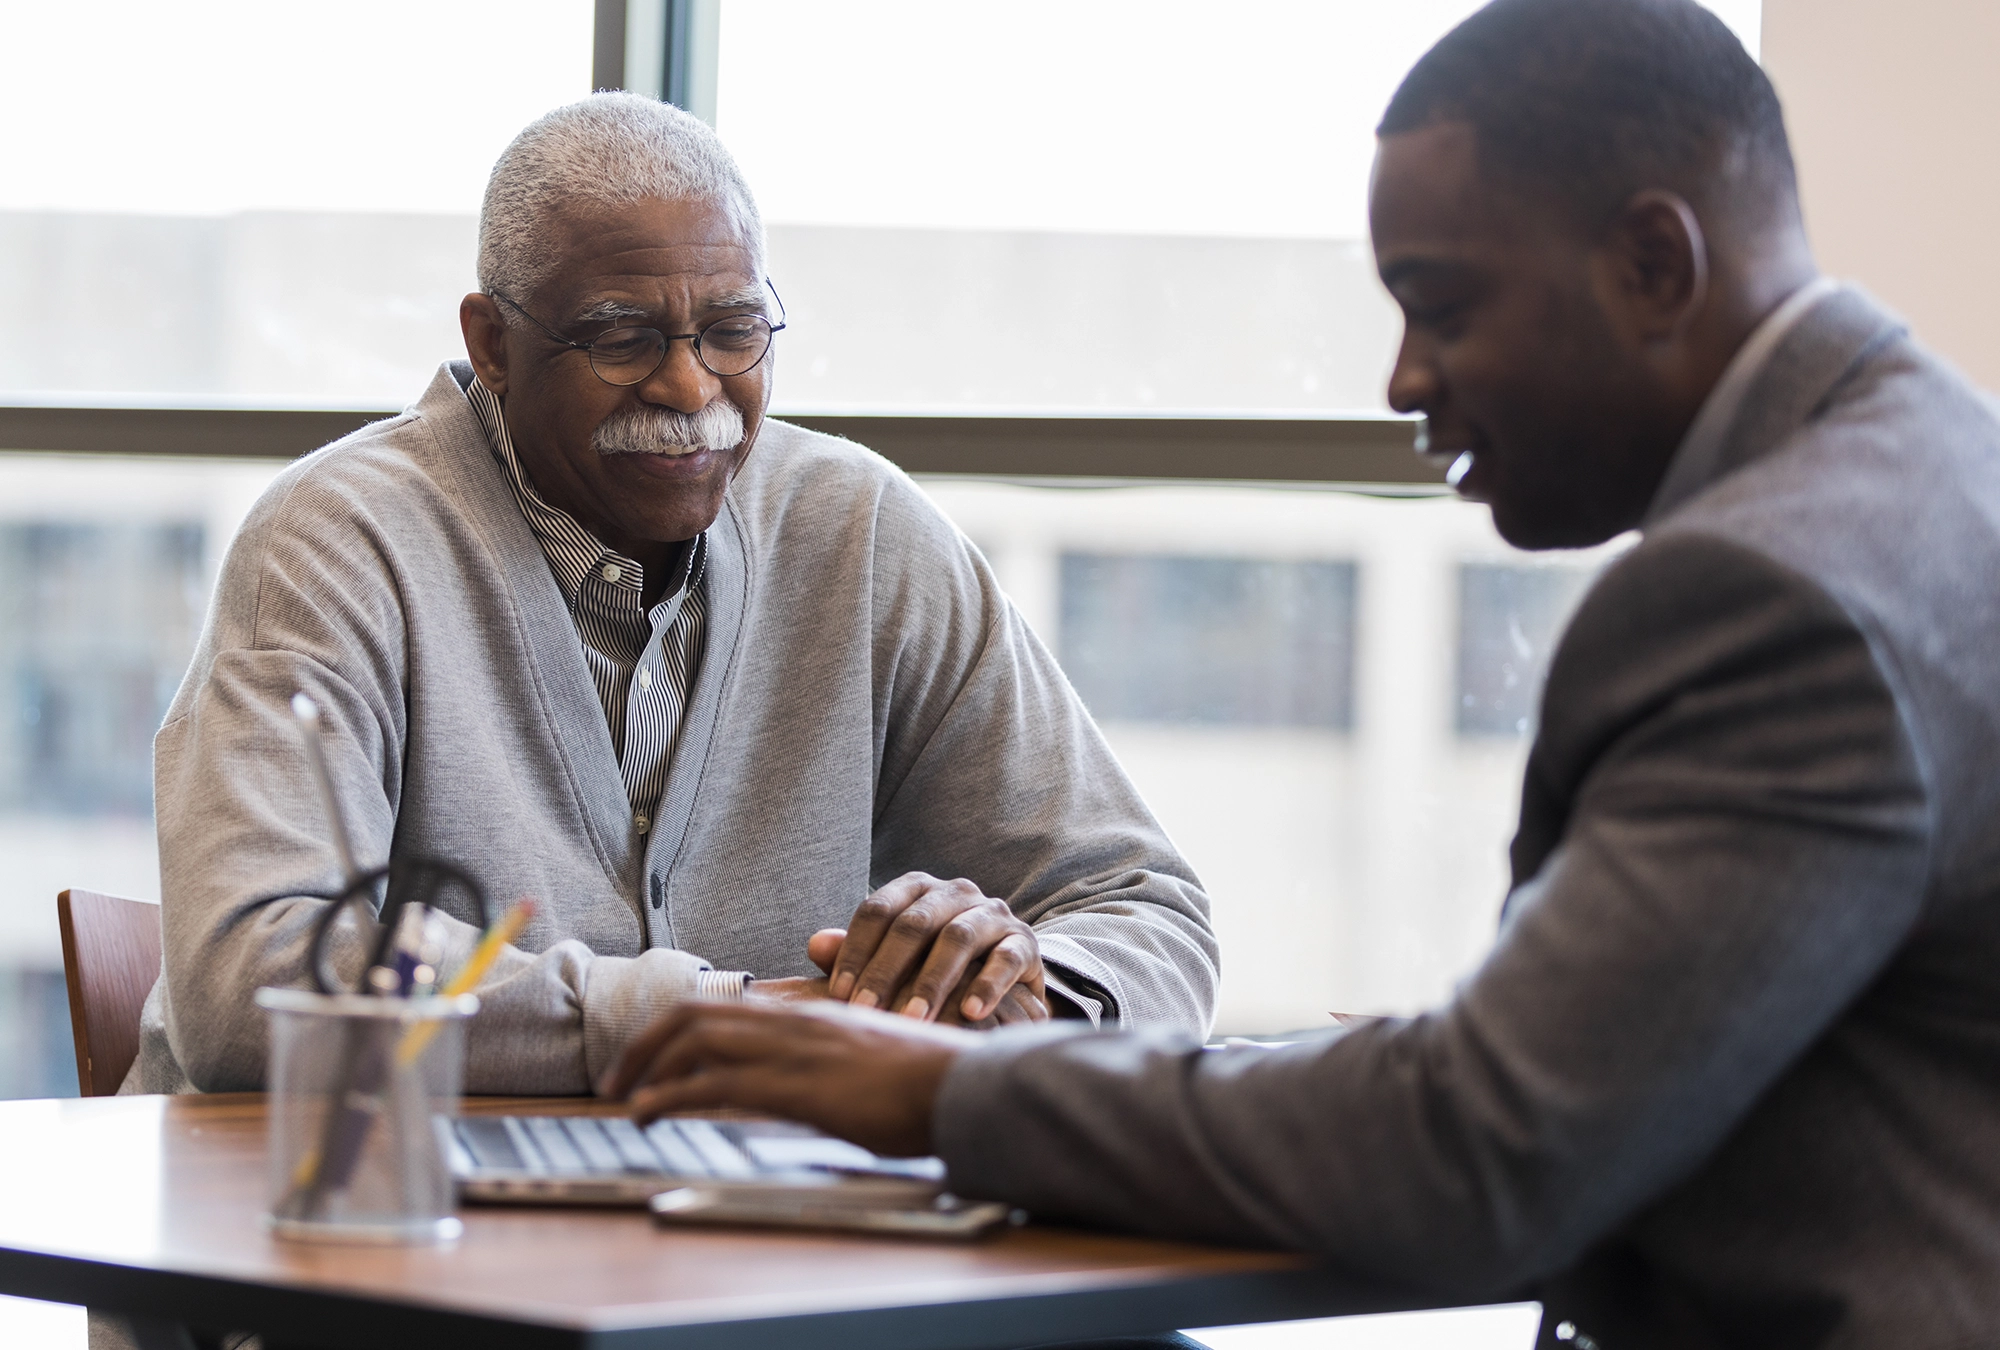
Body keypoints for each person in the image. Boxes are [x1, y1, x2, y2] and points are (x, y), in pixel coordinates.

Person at [602, 2, 2000, 1345]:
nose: (1403, 380)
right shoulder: (1940, 474)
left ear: (1653, 264)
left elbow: (1476, 1156)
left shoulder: (1772, 599)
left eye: (1442, 307)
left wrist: (949, 1093)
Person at [129, 92, 1218, 1096]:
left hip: (744, 1247)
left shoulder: (862, 532)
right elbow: (256, 973)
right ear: (492, 344)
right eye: (623, 338)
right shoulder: (335, 544)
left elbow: (1146, 909)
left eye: (732, 331)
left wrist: (1004, 988)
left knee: (1126, 1323)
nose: (692, 388)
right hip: (352, 1238)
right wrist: (710, 1018)